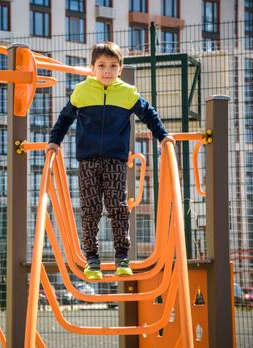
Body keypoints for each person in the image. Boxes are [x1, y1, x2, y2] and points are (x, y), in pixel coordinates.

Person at [46, 42, 175, 279]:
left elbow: (149, 115)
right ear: (92, 68)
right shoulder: (82, 92)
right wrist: (54, 141)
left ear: (120, 68)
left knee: (117, 206)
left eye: (113, 66)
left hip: (115, 160)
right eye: (102, 65)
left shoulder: (127, 93)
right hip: (87, 161)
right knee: (91, 209)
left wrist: (163, 136)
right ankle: (92, 258)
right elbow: (64, 119)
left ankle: (122, 256)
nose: (107, 71)